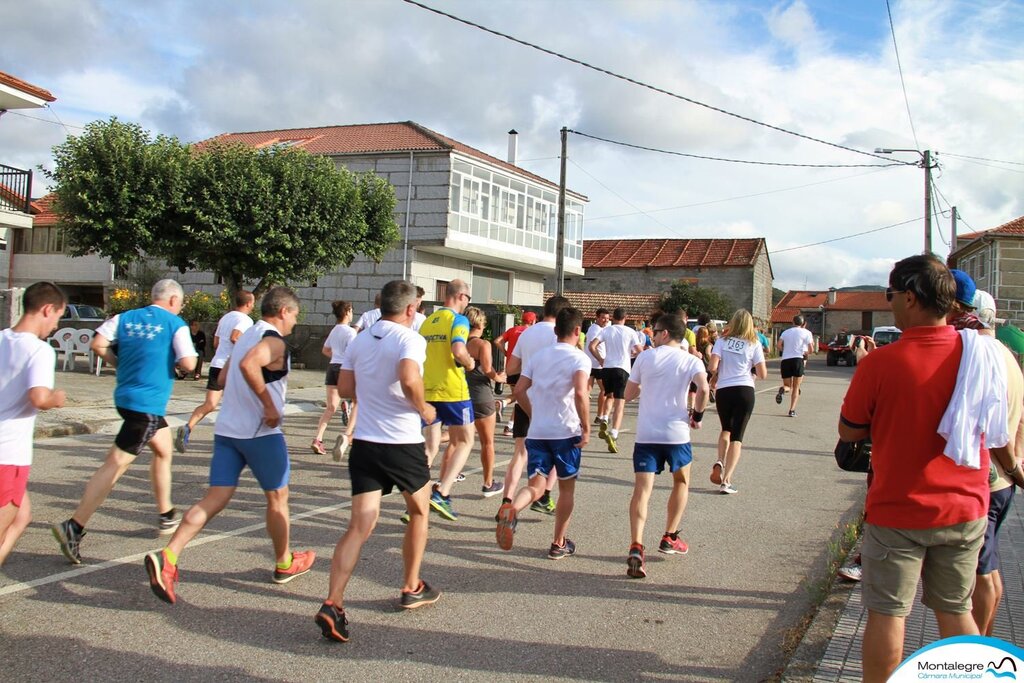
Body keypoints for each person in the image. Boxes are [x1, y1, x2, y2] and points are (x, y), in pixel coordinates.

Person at [838, 255, 1012, 682]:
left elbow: (849, 431)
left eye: (891, 295)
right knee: (955, 611)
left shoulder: (881, 362)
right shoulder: (983, 355)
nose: (890, 303)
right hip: (966, 507)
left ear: (911, 298)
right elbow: (998, 431)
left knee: (887, 615)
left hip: (898, 510)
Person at [145, 286, 315, 604]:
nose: (295, 321)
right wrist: (267, 403)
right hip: (260, 435)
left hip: (228, 431)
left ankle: (169, 556)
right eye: (294, 314)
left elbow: (222, 379)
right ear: (283, 312)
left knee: (214, 498)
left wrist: (247, 390)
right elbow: (249, 366)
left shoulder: (247, 333)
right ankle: (284, 563)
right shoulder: (273, 340)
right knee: (278, 500)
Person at [315, 281, 440, 642]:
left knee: (359, 526)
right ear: (411, 310)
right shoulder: (410, 339)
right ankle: (411, 584)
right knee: (419, 512)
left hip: (366, 443)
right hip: (401, 443)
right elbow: (408, 377)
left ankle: (333, 602)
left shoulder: (360, 339)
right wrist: (423, 408)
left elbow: (347, 390)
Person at [52, 279, 197, 563]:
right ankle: (75, 525)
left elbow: (98, 343)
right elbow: (190, 363)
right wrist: (174, 363)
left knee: (163, 449)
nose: (178, 308)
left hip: (127, 397)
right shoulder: (174, 323)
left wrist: (118, 363)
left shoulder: (125, 317)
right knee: (115, 464)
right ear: (172, 301)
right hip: (147, 405)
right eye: (179, 303)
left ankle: (166, 512)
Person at [496, 306, 590, 559]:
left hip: (538, 431)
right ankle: (558, 543)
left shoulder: (538, 357)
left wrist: (534, 412)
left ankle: (512, 508)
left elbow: (518, 390)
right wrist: (587, 427)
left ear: (556, 329)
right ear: (577, 331)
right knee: (566, 489)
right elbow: (581, 393)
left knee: (535, 486)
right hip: (566, 431)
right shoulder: (579, 358)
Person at [623, 312, 709, 578]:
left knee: (642, 490)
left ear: (665, 334)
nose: (652, 335)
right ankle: (669, 536)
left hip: (647, 433)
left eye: (655, 331)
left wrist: (644, 386)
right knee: (681, 482)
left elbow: (628, 394)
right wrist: (697, 415)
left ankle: (637, 545)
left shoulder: (645, 357)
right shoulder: (691, 360)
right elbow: (704, 389)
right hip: (677, 434)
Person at [959, 292, 1024, 636]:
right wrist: (1017, 468)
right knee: (991, 569)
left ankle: (976, 653)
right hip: (1003, 483)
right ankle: (984, 642)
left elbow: (994, 430)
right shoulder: (1009, 357)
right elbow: (1020, 419)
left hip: (989, 479)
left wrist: (1011, 466)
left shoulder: (982, 359)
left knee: (981, 574)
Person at [0, 282, 67, 566]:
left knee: (23, 516)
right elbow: (38, 397)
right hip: (8, 453)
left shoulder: (2, 338)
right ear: (47, 309)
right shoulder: (39, 351)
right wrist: (56, 398)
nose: (55, 326)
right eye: (58, 318)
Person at [500, 295, 570, 515]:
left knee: (520, 453)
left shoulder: (527, 333)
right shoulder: (560, 335)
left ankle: (506, 501)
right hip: (550, 401)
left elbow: (511, 368)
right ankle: (545, 495)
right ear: (561, 315)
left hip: (525, 397)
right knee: (558, 451)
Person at [420, 279, 476, 521]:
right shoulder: (459, 320)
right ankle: (442, 493)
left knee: (429, 448)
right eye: (468, 299)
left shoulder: (427, 323)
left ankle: (417, 500)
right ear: (461, 296)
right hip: (453, 391)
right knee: (465, 441)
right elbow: (458, 349)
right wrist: (470, 362)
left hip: (428, 390)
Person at [175, 290, 255, 453]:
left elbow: (217, 342)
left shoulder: (226, 318)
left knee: (210, 404)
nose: (253, 306)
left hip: (217, 364)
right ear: (248, 303)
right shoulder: (245, 320)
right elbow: (235, 337)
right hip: (232, 367)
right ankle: (241, 440)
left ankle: (188, 427)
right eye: (253, 303)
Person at [707, 309, 767, 495]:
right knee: (737, 437)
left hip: (724, 390)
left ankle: (720, 460)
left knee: (726, 428)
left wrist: (716, 376)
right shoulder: (754, 343)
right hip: (745, 390)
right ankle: (727, 481)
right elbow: (763, 374)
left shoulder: (722, 341)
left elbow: (712, 366)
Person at [589, 307, 645, 454]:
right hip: (622, 368)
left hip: (607, 367)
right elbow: (640, 351)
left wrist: (600, 359)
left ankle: (605, 418)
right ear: (625, 318)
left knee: (609, 395)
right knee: (620, 402)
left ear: (613, 318)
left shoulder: (606, 330)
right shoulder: (630, 332)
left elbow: (591, 346)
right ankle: (614, 433)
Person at [465, 306, 507, 497]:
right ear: (481, 323)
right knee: (487, 442)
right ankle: (488, 483)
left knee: (459, 439)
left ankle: (445, 477)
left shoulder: (456, 342)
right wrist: (500, 377)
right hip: (482, 395)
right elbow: (489, 370)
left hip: (462, 394)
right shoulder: (483, 345)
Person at [312, 300, 356, 459]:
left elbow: (325, 350)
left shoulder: (335, 330)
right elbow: (353, 353)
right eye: (351, 311)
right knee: (357, 401)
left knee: (330, 407)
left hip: (332, 367)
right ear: (347, 312)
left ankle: (318, 438)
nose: (352, 314)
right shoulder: (350, 332)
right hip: (345, 368)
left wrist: (337, 357)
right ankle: (347, 435)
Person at [495, 311, 536, 435]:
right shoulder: (531, 333)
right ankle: (509, 422)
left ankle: (509, 425)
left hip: (511, 366)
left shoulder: (513, 330)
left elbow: (497, 341)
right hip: (523, 368)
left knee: (518, 396)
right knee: (521, 397)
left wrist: (506, 352)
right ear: (533, 321)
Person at [775, 314, 815, 417]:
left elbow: (778, 345)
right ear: (803, 323)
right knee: (796, 387)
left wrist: (786, 351)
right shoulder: (807, 333)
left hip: (786, 360)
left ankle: (783, 390)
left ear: (792, 322)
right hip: (798, 359)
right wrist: (805, 353)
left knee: (788, 385)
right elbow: (811, 350)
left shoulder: (785, 332)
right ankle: (792, 410)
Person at [584, 308, 611, 425]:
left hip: (590, 364)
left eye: (607, 318)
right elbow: (592, 346)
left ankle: (583, 417)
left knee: (587, 392)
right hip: (597, 365)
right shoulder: (596, 330)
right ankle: (600, 416)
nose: (605, 320)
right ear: (597, 318)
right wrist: (600, 359)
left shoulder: (595, 328)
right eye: (603, 318)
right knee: (605, 391)